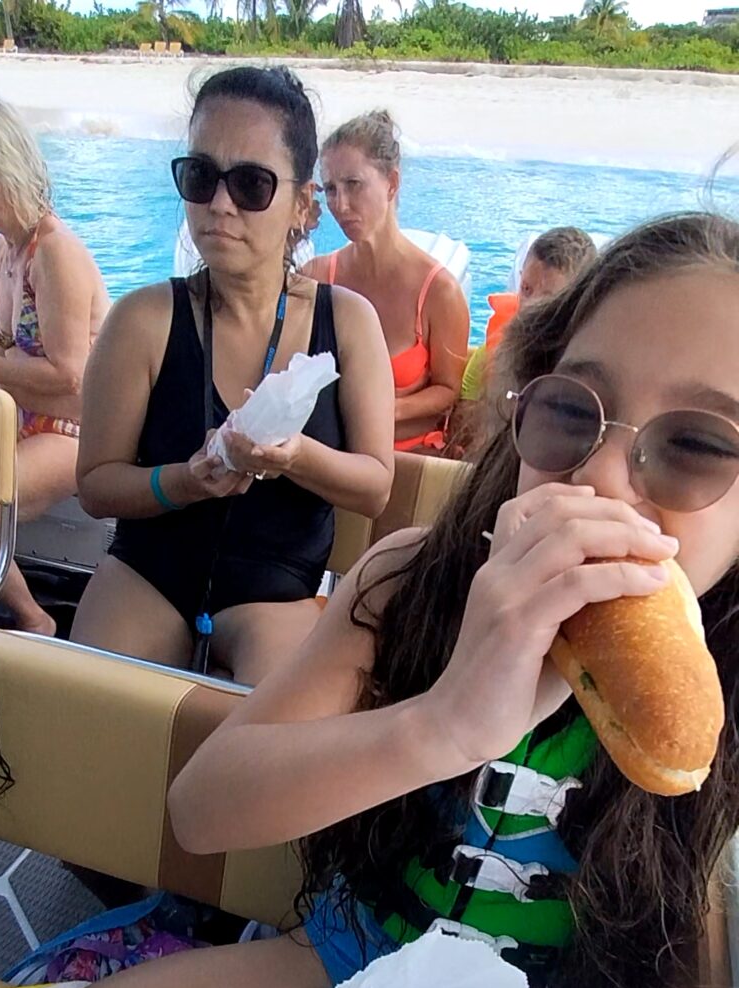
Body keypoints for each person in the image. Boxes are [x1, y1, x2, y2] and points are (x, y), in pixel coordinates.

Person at [0, 214, 739, 988]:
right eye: (573, 414)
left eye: (698, 444)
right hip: (352, 956)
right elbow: (206, 809)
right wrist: (445, 723)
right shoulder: (411, 578)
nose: (599, 478)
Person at [71, 67, 394, 685]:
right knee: (94, 715)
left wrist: (294, 456)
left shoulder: (348, 322)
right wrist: (184, 482)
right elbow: (96, 484)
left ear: (303, 204)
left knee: (272, 752)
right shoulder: (143, 319)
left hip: (275, 589)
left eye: (250, 183)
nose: (219, 204)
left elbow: (375, 486)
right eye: (201, 176)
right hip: (151, 571)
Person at [0, 89, 109, 635]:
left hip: (71, 430)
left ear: (2, 166)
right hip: (19, 419)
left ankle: (33, 621)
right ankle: (34, 622)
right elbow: (11, 352)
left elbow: (67, 376)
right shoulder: (0, 254)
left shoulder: (56, 253)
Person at [306, 110, 469, 454]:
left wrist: (383, 411)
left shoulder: (440, 292)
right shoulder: (316, 276)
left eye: (354, 185)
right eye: (331, 189)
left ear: (392, 183)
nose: (340, 204)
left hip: (409, 461)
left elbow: (447, 390)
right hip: (331, 463)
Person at [460, 226, 598, 408]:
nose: (530, 306)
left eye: (547, 298)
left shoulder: (589, 367)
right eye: (526, 289)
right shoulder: (491, 355)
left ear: (577, 299)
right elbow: (465, 415)